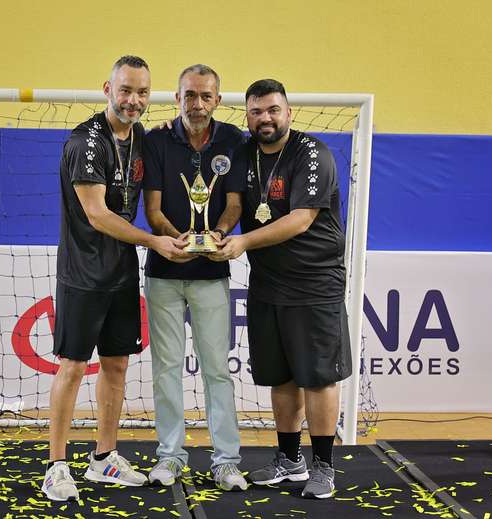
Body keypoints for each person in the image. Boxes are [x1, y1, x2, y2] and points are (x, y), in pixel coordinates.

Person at [42, 55, 188, 502]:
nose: (134, 100)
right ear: (108, 89)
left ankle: (104, 458)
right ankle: (56, 464)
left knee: (117, 365)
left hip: (121, 274)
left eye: (142, 92)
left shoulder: (141, 137)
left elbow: (169, 134)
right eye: (125, 90)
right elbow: (98, 214)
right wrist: (153, 241)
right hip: (83, 275)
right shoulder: (86, 143)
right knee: (71, 367)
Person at [209, 79, 352, 499]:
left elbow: (302, 218)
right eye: (256, 111)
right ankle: (290, 459)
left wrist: (243, 242)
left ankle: (324, 467)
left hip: (314, 283)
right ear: (247, 116)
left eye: (273, 109)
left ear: (288, 111)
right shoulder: (244, 153)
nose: (265, 118)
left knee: (319, 377)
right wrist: (220, 232)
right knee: (281, 376)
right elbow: (235, 205)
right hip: (268, 282)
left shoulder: (313, 154)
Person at [142, 64, 248, 491]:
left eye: (206, 96)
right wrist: (178, 239)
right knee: (166, 368)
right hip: (165, 271)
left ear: (218, 100)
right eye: (190, 96)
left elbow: (236, 203)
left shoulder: (234, 140)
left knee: (217, 370)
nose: (198, 104)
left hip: (212, 273)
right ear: (177, 97)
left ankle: (225, 460)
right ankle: (170, 456)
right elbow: (151, 210)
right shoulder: (155, 140)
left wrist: (216, 235)